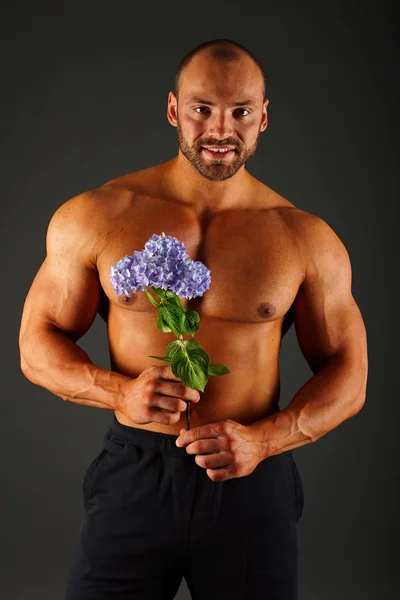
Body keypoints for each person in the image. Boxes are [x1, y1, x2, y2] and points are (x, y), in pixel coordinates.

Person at [19, 38, 368, 600]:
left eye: (241, 112)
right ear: (174, 110)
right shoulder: (98, 215)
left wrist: (263, 442)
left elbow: (350, 377)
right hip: (137, 470)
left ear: (264, 117)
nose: (221, 129)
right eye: (203, 108)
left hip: (250, 479)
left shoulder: (304, 237)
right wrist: (118, 393)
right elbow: (35, 343)